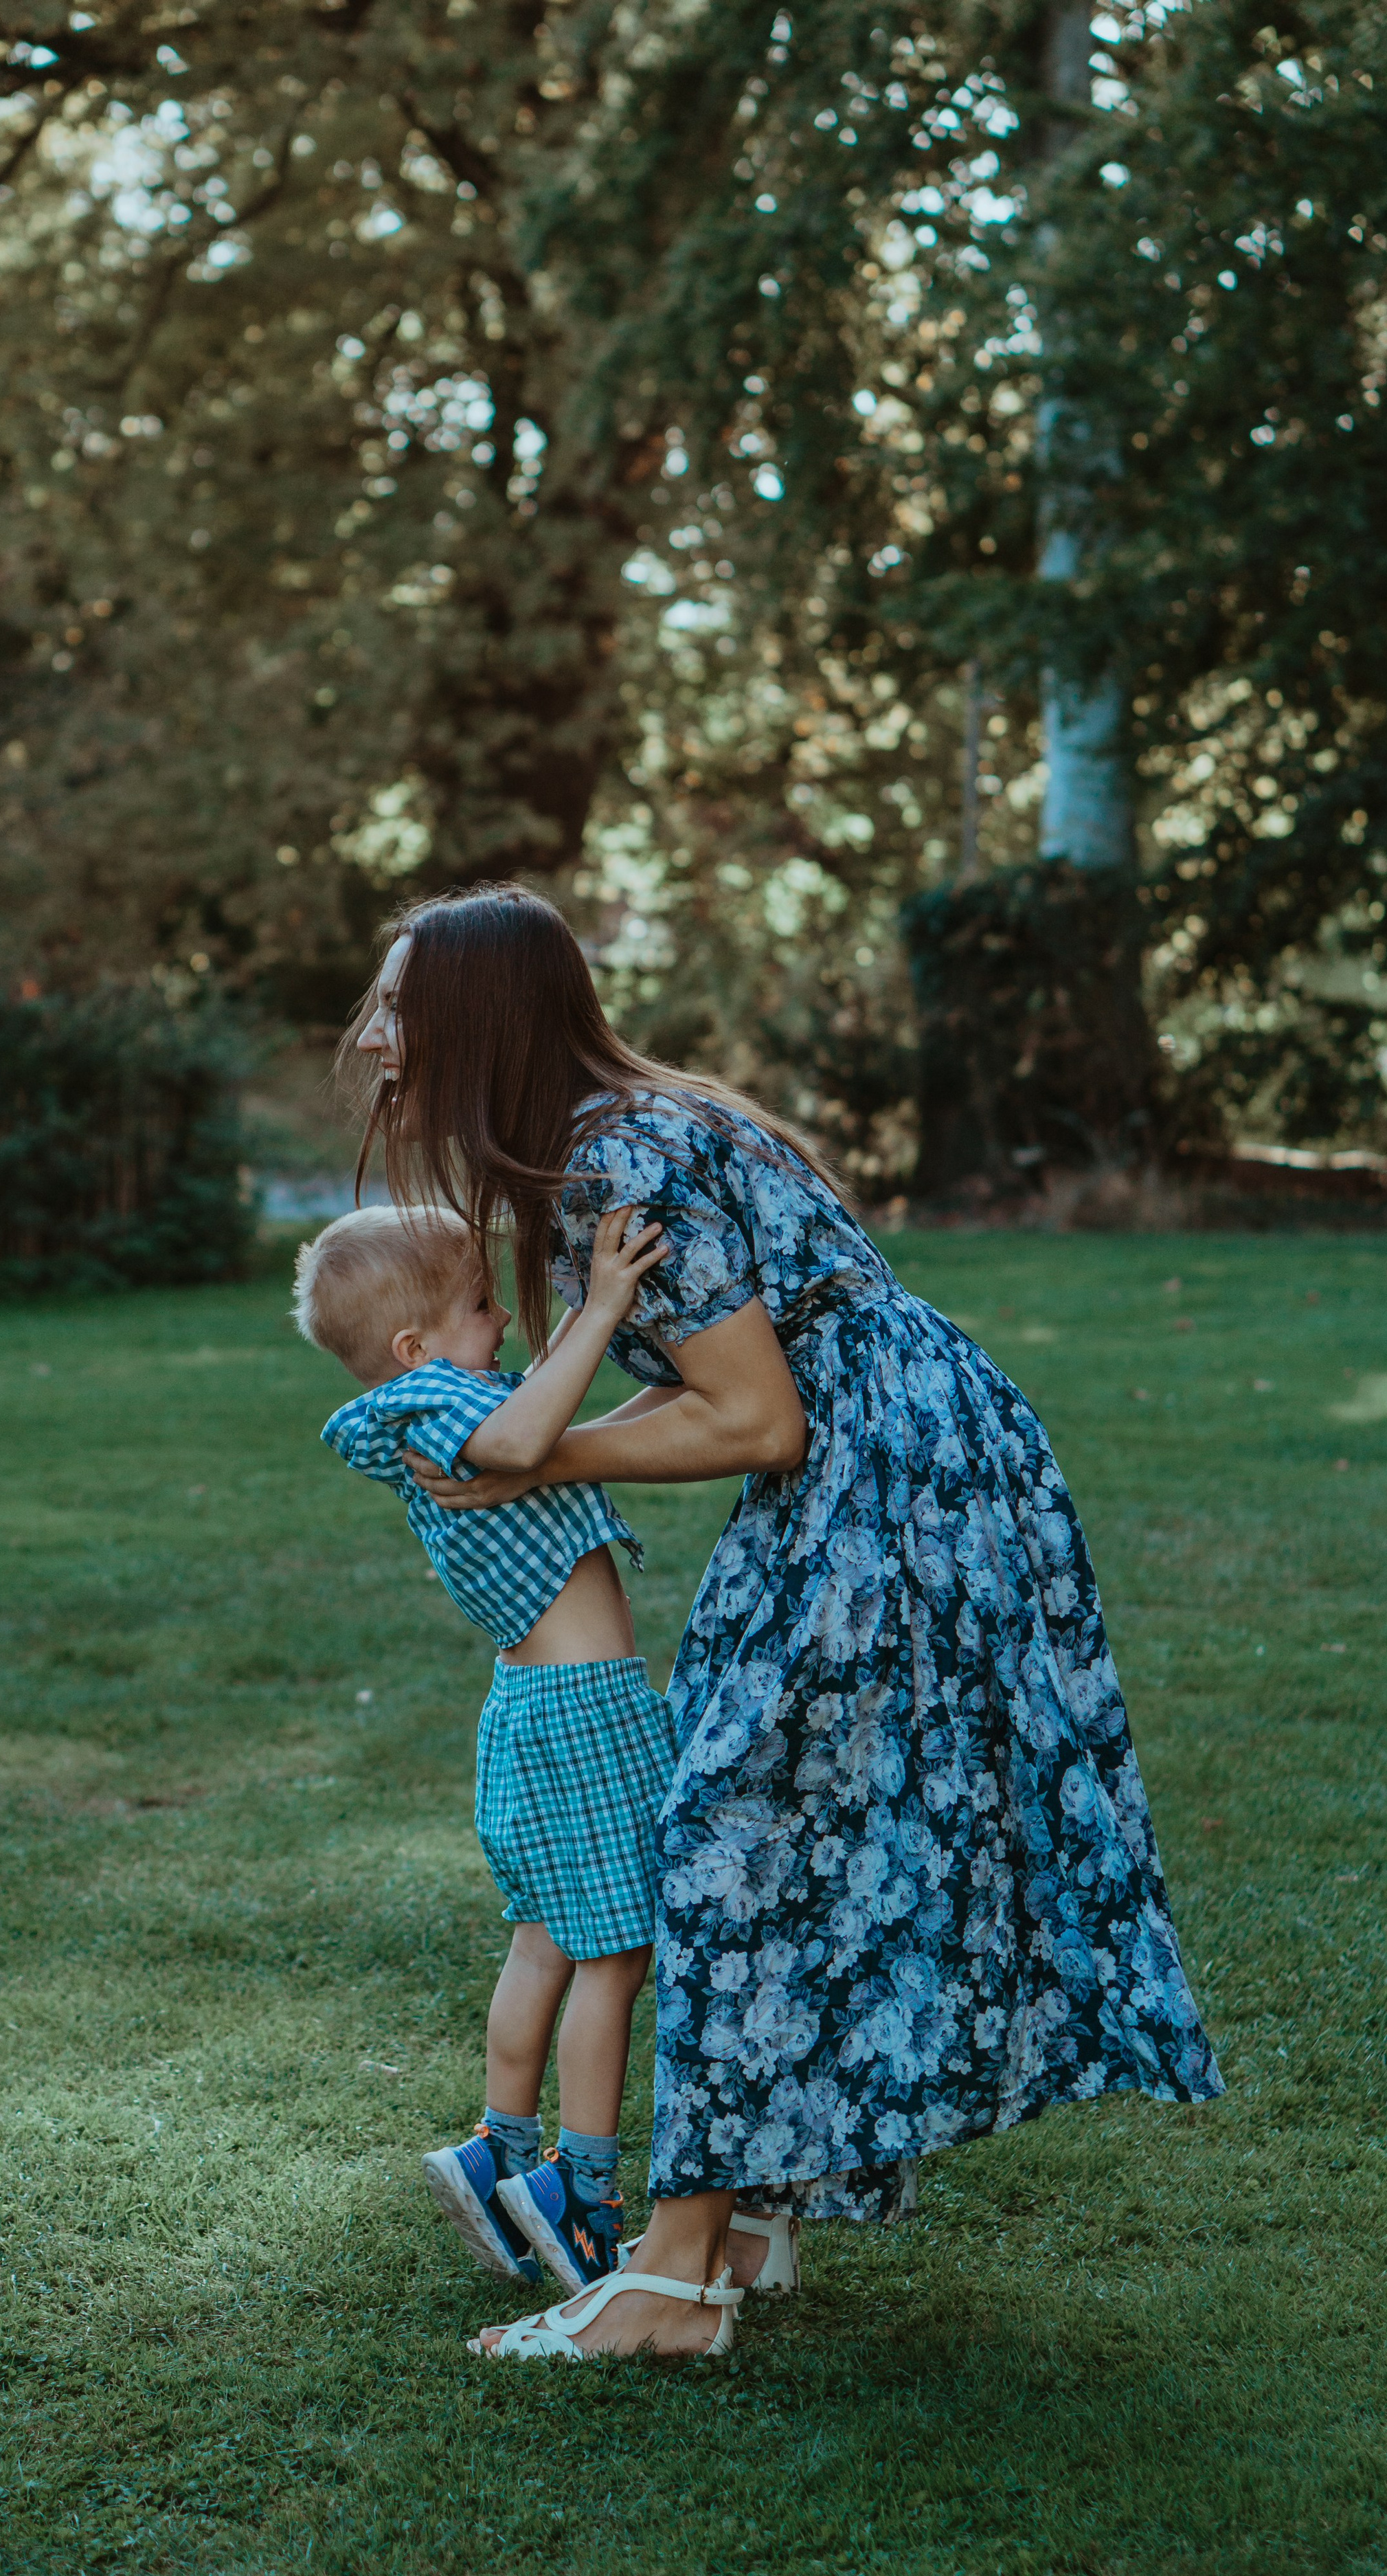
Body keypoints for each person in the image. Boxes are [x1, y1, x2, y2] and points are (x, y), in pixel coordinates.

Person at [346, 884, 1225, 2365]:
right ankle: (740, 2226)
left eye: (395, 1004)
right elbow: (721, 1381)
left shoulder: (615, 1157)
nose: (372, 1033)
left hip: (883, 1483)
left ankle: (673, 2285)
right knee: (782, 1827)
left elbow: (753, 1417)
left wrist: (531, 1452)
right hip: (903, 1460)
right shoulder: (623, 1124)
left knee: (726, 1839)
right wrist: (544, 1431)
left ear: (472, 1021)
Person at [295, 1194, 676, 2294]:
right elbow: (521, 1434)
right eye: (480, 1304)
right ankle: (582, 2194)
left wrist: (603, 1331)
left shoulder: (435, 1397)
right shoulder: (434, 1406)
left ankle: (501, 2154)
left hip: (534, 1711)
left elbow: (543, 1408)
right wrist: (604, 1300)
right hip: (586, 1711)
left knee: (547, 1939)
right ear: (414, 1347)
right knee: (615, 1951)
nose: (503, 1319)